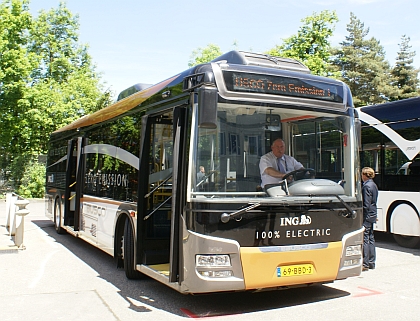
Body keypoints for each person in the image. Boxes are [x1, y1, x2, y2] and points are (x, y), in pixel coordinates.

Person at [361, 167, 378, 271]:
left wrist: (362, 216)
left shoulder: (366, 186)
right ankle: (372, 262)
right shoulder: (374, 185)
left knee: (365, 238)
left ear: (365, 175)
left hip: (367, 216)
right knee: (371, 238)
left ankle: (365, 263)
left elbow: (366, 205)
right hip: (373, 214)